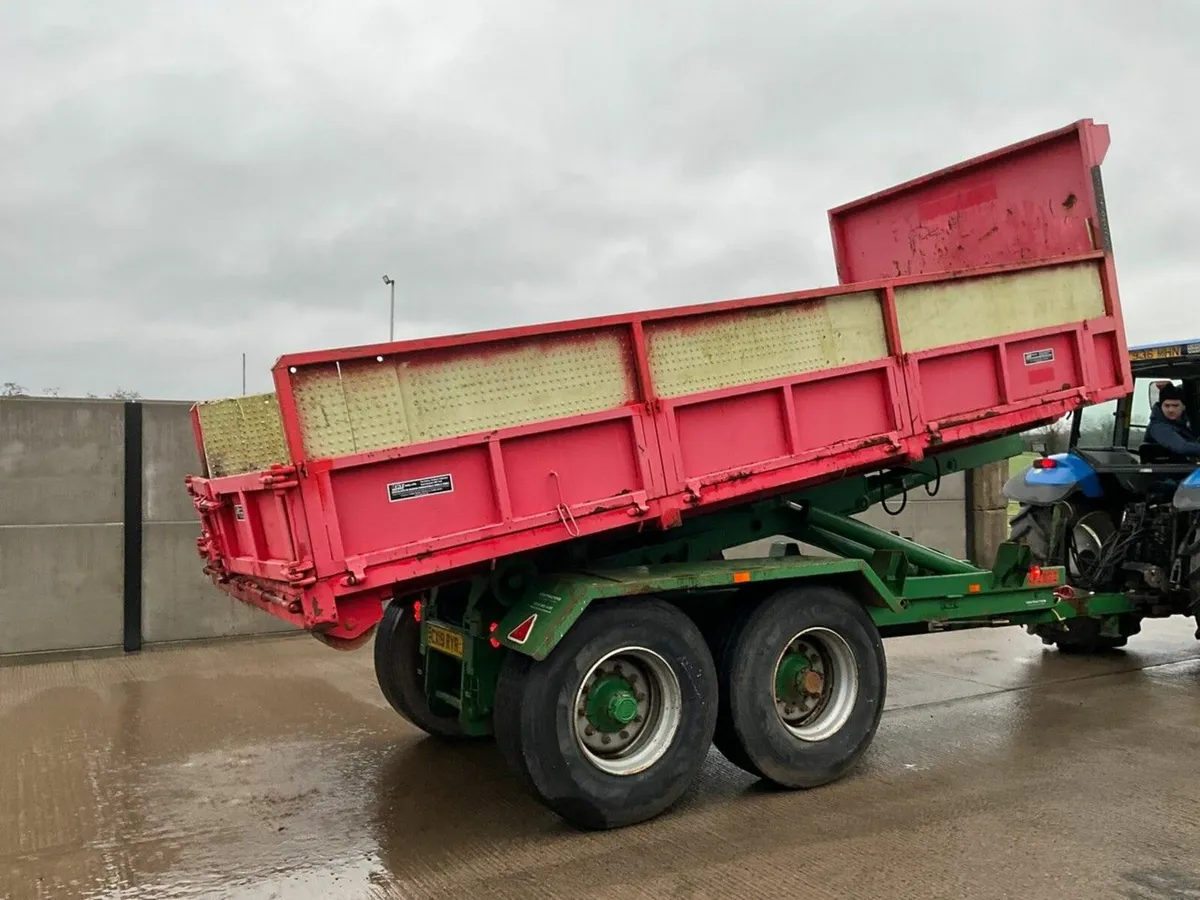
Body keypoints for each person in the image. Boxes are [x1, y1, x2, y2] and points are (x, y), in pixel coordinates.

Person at [1145, 383, 1200, 459]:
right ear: (1161, 406)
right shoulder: (1158, 427)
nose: (1170, 410)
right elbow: (1181, 447)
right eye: (1167, 405)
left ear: (1183, 407)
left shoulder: (1186, 424)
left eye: (1175, 405)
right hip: (1163, 469)